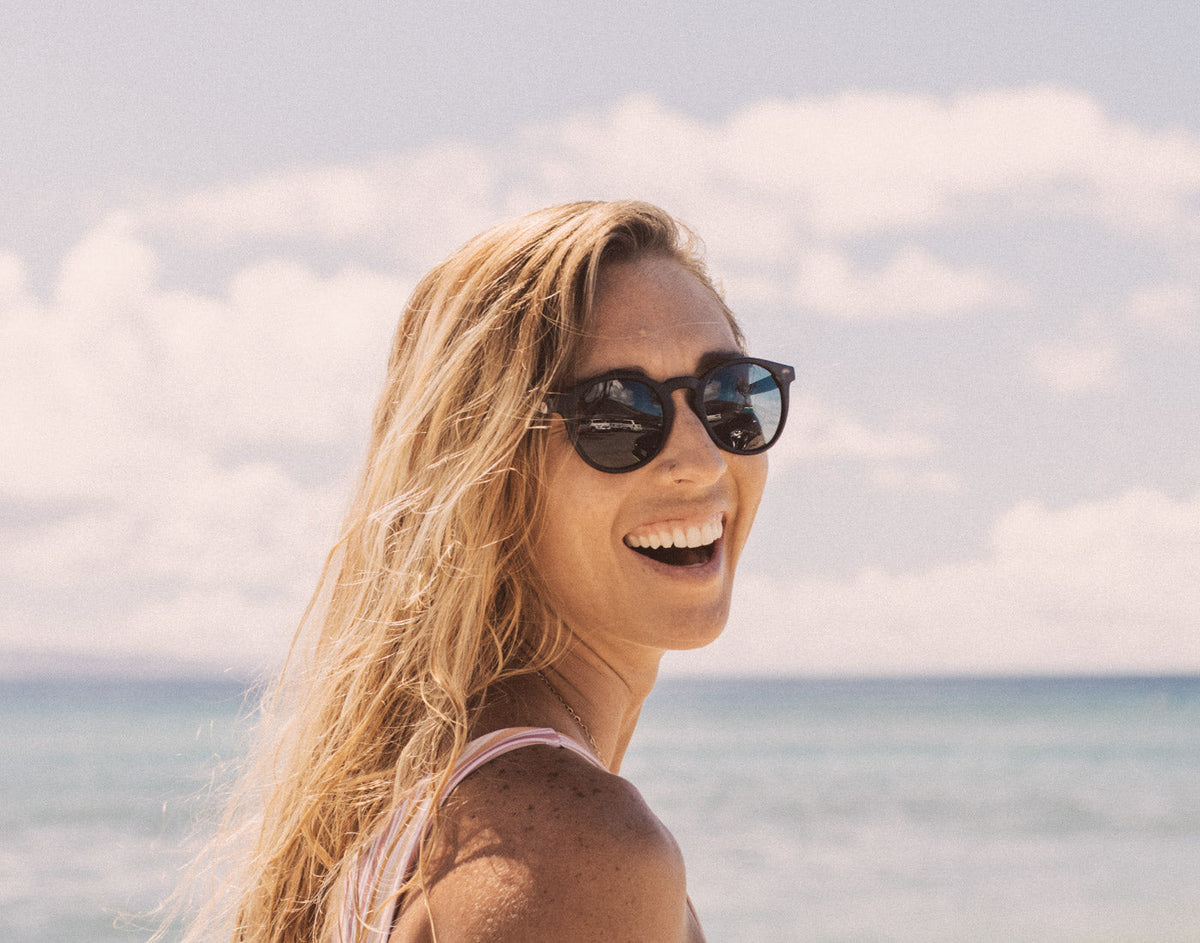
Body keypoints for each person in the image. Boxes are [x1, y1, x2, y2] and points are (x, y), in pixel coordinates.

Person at [178, 200, 793, 942]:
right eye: (618, 416)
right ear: (488, 470)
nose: (703, 459)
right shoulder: (575, 851)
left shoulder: (425, 796)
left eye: (729, 396)